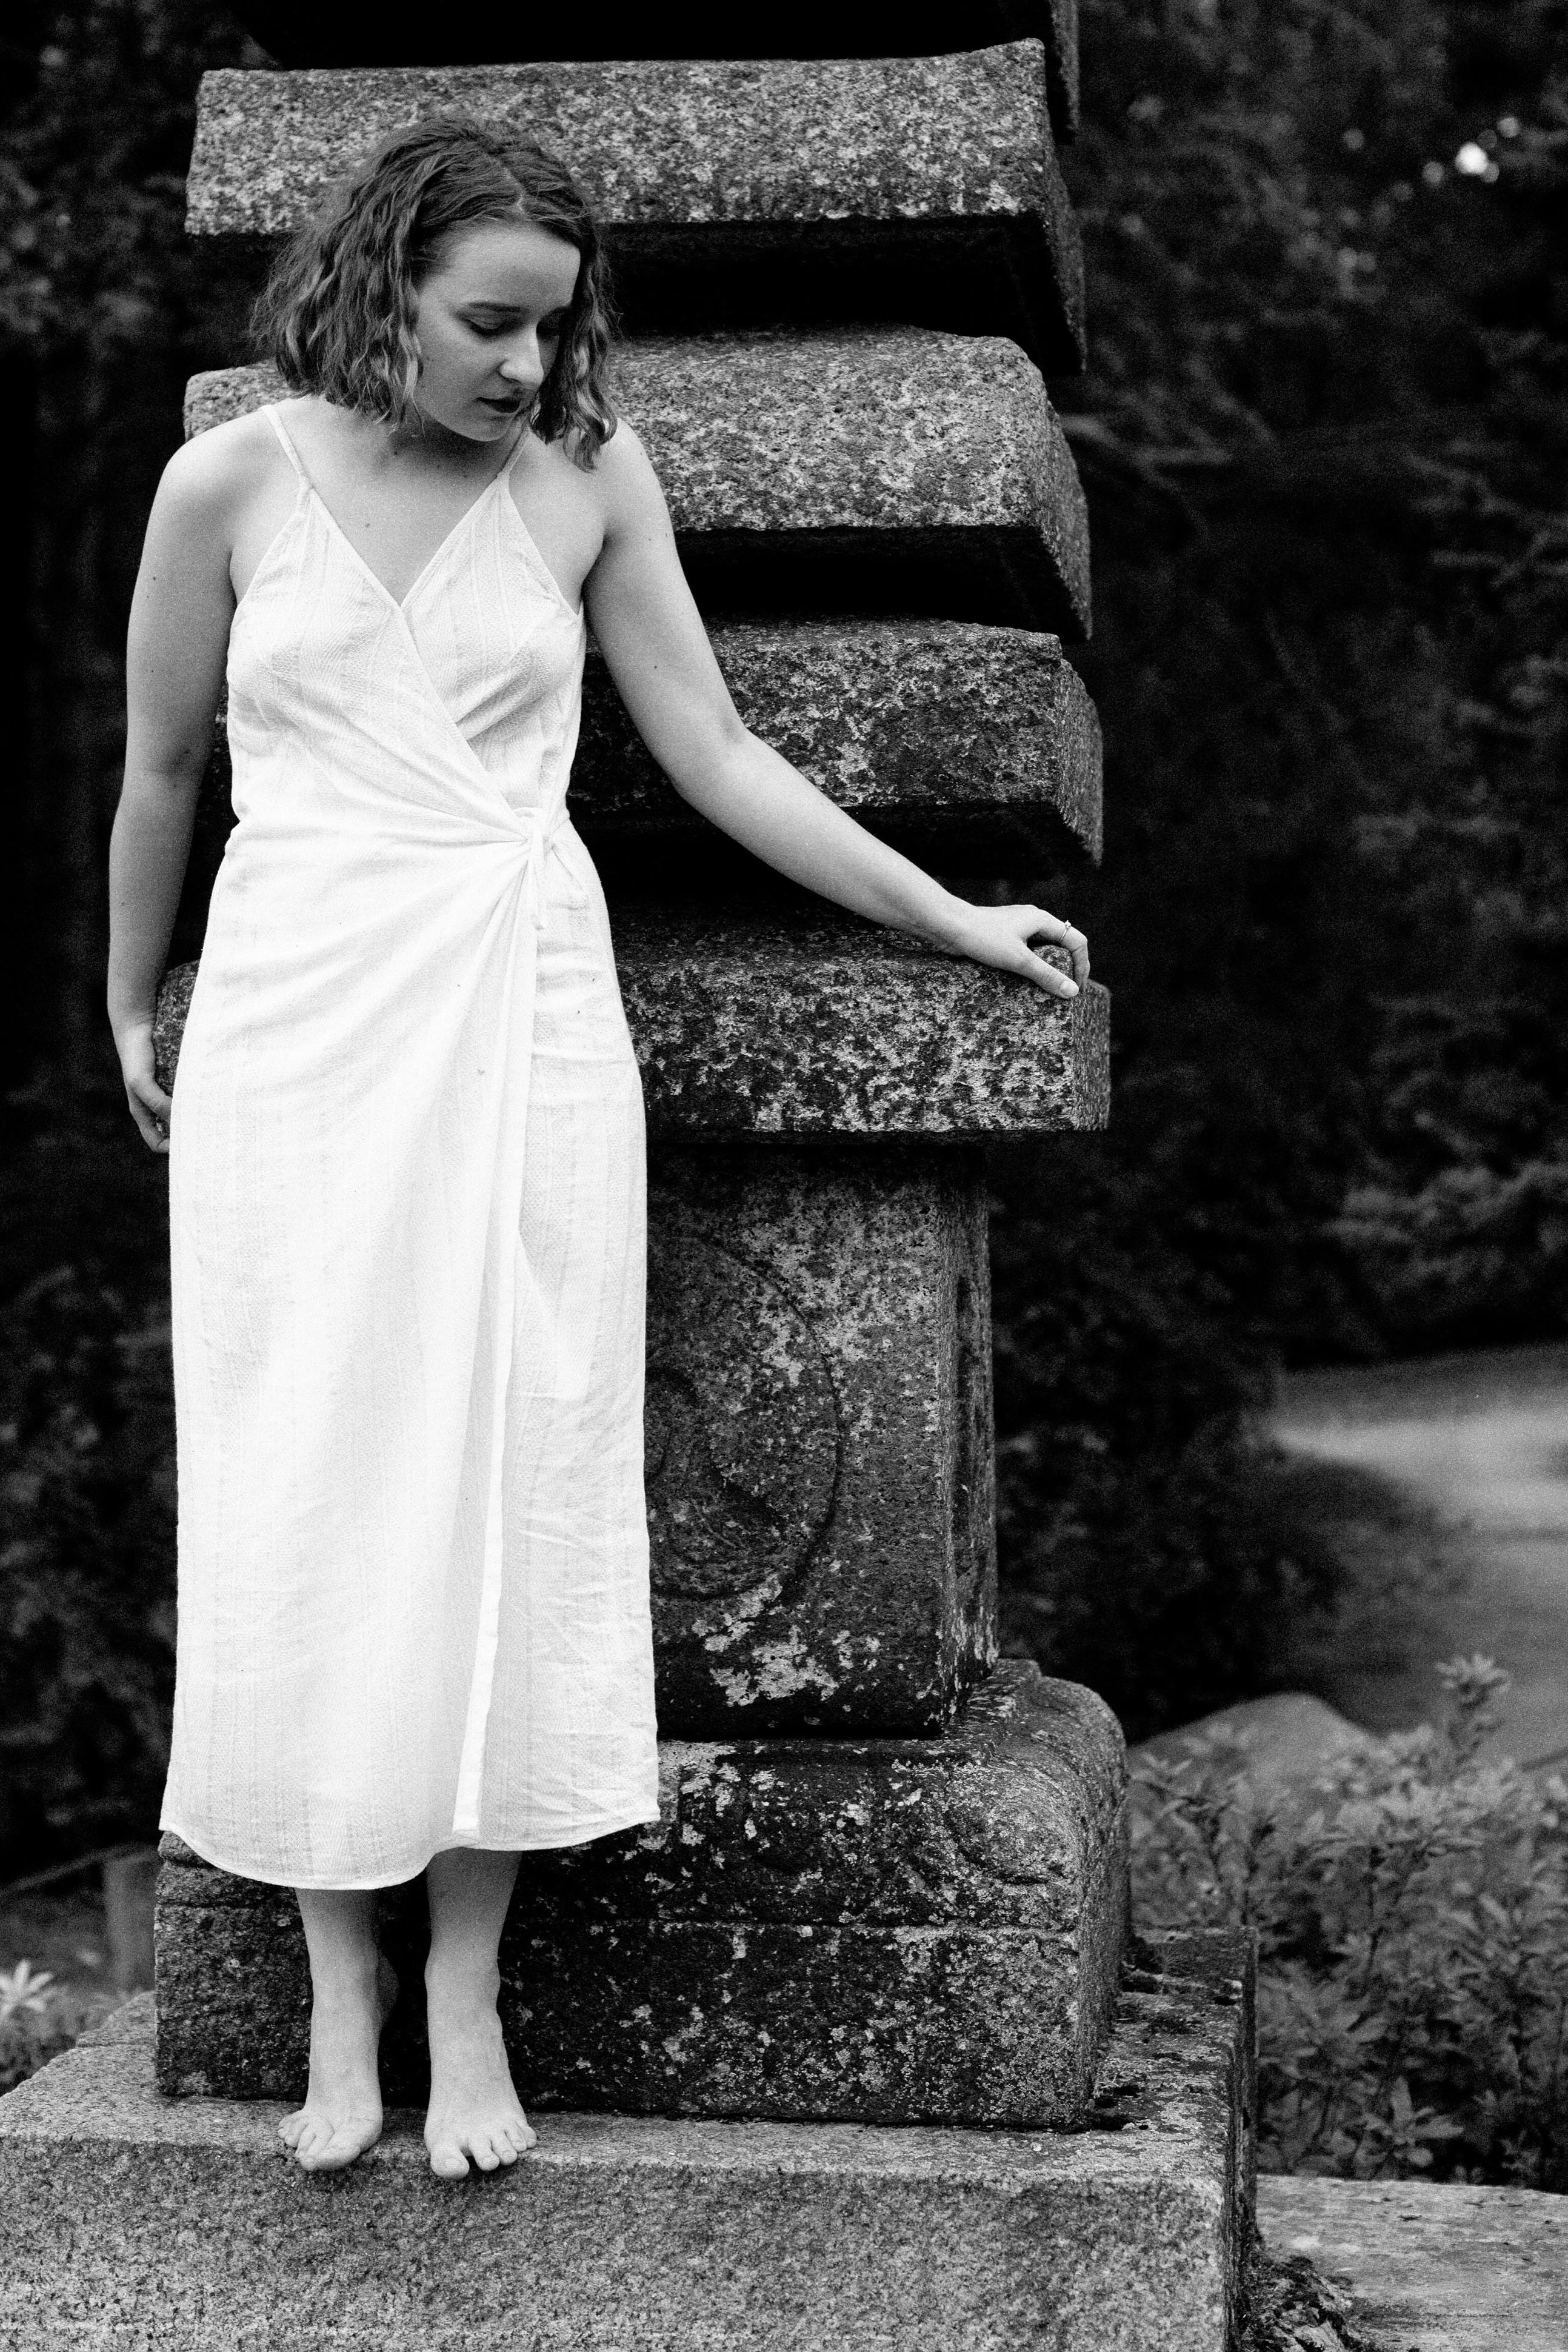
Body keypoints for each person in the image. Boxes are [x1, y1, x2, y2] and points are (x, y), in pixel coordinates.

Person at [106, 116, 1090, 2183]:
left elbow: (714, 751)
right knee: (304, 1469)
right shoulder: (226, 480)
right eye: (490, 323)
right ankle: (334, 1980)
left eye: (555, 329)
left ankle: (464, 1981)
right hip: (295, 1019)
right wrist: (127, 1000)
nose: (531, 368)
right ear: (375, 289)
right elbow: (168, 767)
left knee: (510, 1461)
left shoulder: (583, 481)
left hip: (518, 1003)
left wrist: (945, 914)